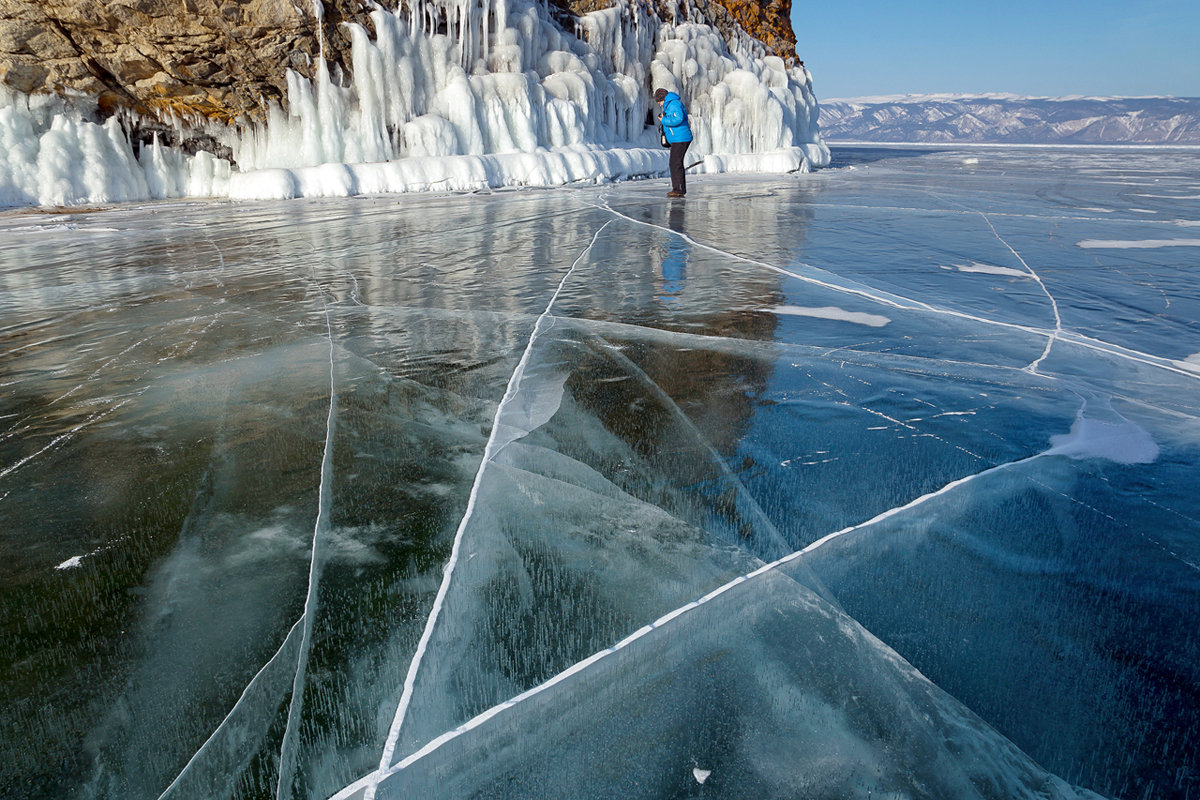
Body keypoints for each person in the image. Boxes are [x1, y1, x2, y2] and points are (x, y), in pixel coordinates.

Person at [655, 87, 693, 198]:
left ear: (662, 98)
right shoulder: (669, 104)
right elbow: (673, 117)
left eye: (659, 101)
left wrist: (664, 120)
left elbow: (679, 118)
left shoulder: (674, 103)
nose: (659, 104)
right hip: (678, 139)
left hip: (681, 138)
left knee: (675, 163)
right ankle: (678, 188)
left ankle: (679, 189)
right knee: (675, 163)